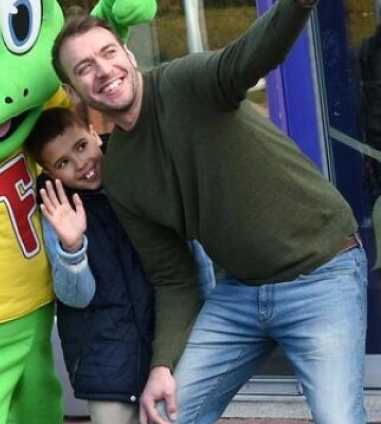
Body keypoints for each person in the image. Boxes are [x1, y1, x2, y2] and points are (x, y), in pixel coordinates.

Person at [52, 0, 367, 422]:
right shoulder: (121, 173)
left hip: (323, 273)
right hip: (240, 293)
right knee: (166, 414)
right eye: (85, 67)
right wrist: (162, 366)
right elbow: (174, 277)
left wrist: (296, 6)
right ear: (73, 91)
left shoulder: (185, 82)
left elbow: (249, 56)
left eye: (109, 53)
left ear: (128, 55)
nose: (104, 70)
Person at [26, 107, 214, 424]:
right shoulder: (56, 212)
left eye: (81, 146)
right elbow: (76, 297)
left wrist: (208, 313)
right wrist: (71, 246)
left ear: (93, 131)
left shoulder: (137, 172)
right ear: (50, 172)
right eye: (63, 164)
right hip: (105, 364)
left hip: (167, 345)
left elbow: (190, 254)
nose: (81, 164)